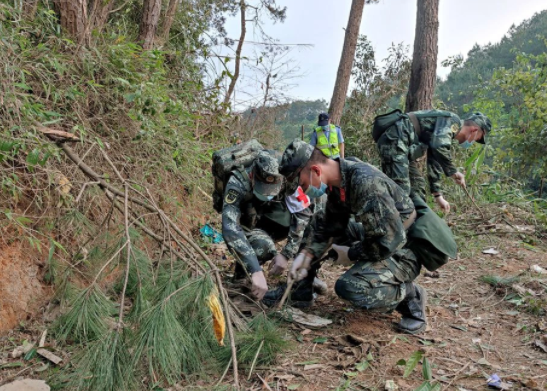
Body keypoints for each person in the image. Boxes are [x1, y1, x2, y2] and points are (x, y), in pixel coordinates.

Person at [264, 140, 456, 334]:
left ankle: (410, 296)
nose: (303, 190)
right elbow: (331, 224)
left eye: (302, 183)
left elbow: (387, 243)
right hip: (381, 233)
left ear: (315, 170)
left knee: (351, 287)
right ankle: (300, 291)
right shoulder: (339, 179)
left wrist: (351, 253)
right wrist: (306, 255)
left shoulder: (365, 182)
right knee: (318, 222)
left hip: (405, 247)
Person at [221, 149, 314, 300]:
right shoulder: (237, 182)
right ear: (253, 176)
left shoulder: (286, 176)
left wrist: (286, 254)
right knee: (263, 245)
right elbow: (230, 228)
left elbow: (303, 213)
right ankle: (242, 275)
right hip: (245, 223)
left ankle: (303, 284)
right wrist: (255, 269)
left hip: (267, 217)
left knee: (313, 223)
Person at [375, 111, 492, 214]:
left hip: (402, 147)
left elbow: (434, 160)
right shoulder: (452, 121)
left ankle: (417, 225)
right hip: (395, 141)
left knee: (417, 185)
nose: (474, 141)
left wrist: (438, 196)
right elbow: (439, 146)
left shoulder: (445, 133)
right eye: (478, 138)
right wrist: (454, 172)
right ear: (474, 130)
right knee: (401, 192)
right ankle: (390, 230)